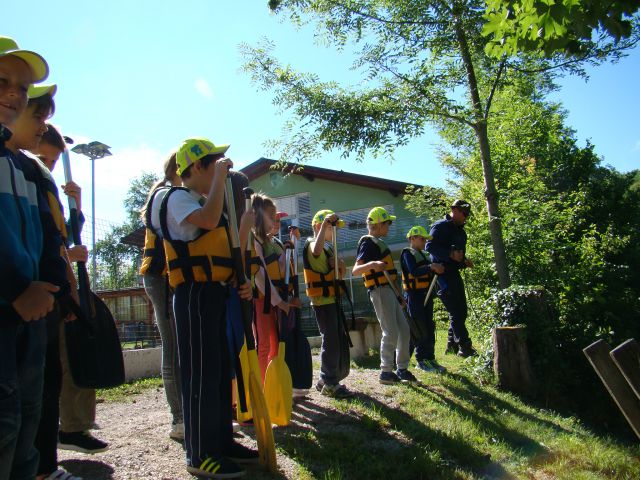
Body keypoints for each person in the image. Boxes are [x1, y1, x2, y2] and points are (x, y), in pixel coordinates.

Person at [160, 137, 257, 478]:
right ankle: (199, 453)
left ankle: (220, 441)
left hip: (215, 293)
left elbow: (226, 249)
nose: (222, 170)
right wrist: (220, 179)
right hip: (194, 296)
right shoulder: (173, 197)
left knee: (219, 373)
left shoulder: (206, 199)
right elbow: (206, 219)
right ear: (197, 167)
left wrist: (238, 279)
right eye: (215, 164)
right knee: (200, 374)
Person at [30, 122, 109, 457]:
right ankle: (57, 436)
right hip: (39, 290)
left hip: (64, 288)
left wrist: (76, 206)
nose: (47, 167)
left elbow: (63, 233)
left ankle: (73, 428)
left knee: (72, 359)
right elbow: (41, 242)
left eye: (51, 161)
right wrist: (66, 254)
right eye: (43, 159)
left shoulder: (46, 191)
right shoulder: (24, 183)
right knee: (53, 369)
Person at [0, 36, 59, 480]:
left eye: (21, 87)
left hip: (32, 312)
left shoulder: (20, 168)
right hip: (10, 306)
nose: (15, 96)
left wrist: (48, 290)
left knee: (26, 414)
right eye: (2, 82)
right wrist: (17, 290)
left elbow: (40, 239)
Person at [139, 152, 184, 441]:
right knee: (172, 345)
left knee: (181, 345)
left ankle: (187, 413)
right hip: (160, 276)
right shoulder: (169, 196)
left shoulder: (175, 194)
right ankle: (179, 419)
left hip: (169, 277)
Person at [352, 207, 417, 385]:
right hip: (379, 290)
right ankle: (386, 371)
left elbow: (390, 274)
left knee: (404, 329)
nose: (389, 227)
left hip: (390, 290)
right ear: (378, 224)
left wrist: (399, 295)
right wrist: (372, 264)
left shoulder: (380, 243)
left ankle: (402, 368)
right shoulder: (368, 243)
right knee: (391, 331)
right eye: (387, 224)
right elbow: (356, 270)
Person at [302, 210, 353, 398]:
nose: (334, 232)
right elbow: (315, 251)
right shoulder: (313, 244)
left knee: (335, 338)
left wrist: (338, 264)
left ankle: (325, 380)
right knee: (330, 339)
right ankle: (330, 382)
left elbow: (341, 272)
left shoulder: (330, 248)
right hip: (322, 300)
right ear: (318, 226)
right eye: (332, 228)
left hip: (332, 298)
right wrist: (325, 225)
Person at [250, 194, 299, 382]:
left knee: (276, 345)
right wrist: (280, 302)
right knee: (263, 345)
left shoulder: (273, 243)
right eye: (271, 215)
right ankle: (262, 390)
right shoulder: (255, 241)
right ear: (258, 215)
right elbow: (260, 277)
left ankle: (274, 385)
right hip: (262, 301)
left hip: (276, 300)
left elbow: (280, 269)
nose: (275, 219)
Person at [426, 200, 476, 358]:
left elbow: (458, 255)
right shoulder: (440, 226)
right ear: (454, 210)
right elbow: (429, 246)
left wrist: (464, 261)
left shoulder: (461, 232)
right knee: (456, 311)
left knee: (462, 311)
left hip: (454, 273)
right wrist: (449, 254)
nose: (466, 217)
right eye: (464, 213)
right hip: (441, 276)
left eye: (467, 214)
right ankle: (465, 347)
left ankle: (452, 346)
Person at [400, 226, 446, 373]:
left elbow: (431, 272)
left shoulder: (425, 255)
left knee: (429, 327)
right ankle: (421, 360)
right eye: (422, 238)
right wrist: (431, 267)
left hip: (426, 294)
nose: (424, 241)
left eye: (425, 239)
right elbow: (414, 271)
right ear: (412, 239)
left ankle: (430, 358)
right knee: (419, 328)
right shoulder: (407, 254)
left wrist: (438, 268)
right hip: (414, 296)